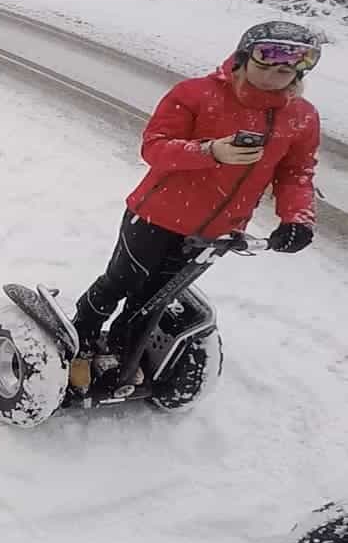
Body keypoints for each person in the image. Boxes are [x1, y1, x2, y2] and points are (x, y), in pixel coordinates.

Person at [69, 20, 321, 388]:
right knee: (120, 282)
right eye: (263, 66)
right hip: (156, 216)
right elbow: (154, 147)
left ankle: (121, 350)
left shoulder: (301, 116)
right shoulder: (196, 94)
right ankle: (81, 342)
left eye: (283, 71)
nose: (271, 78)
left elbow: (297, 172)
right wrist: (210, 151)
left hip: (217, 231)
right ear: (242, 58)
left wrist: (296, 218)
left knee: (156, 296)